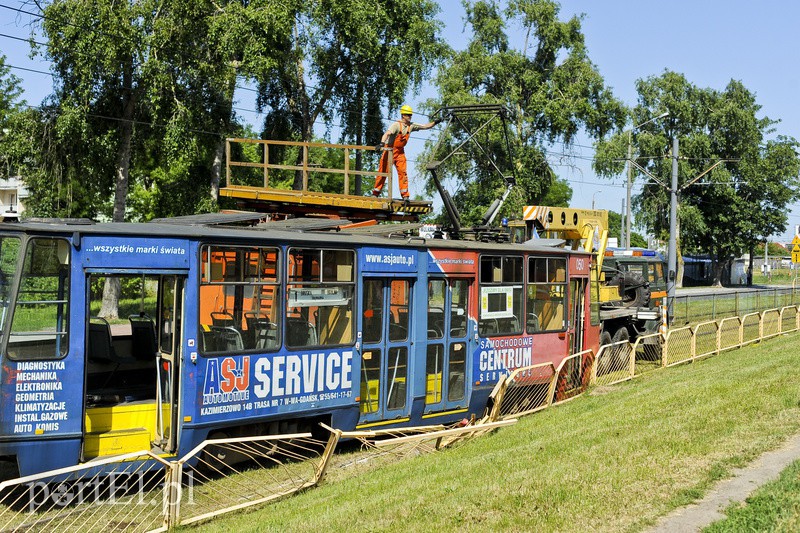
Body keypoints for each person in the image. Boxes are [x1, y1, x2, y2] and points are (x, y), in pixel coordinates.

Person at [372, 105, 441, 200]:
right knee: (383, 172)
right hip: (389, 151)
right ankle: (375, 193)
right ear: (403, 115)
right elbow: (387, 133)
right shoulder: (396, 125)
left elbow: (425, 126)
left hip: (400, 153)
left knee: (403, 173)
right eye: (408, 115)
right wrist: (381, 143)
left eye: (410, 115)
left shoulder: (411, 126)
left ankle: (405, 195)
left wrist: (437, 122)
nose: (410, 116)